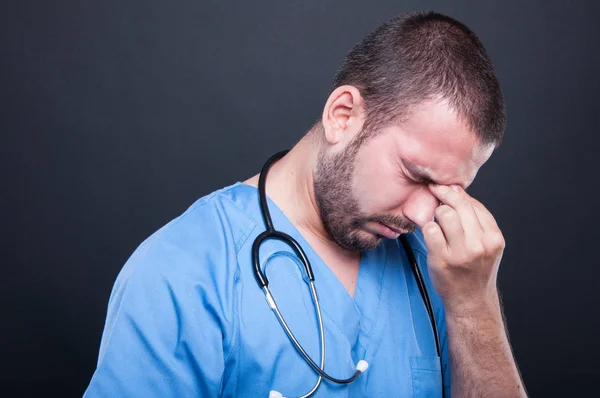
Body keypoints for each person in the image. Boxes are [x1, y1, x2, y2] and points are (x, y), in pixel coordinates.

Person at [84, 11, 527, 398]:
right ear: (343, 115)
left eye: (448, 192)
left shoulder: (448, 271)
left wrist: (474, 305)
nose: (420, 215)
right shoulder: (184, 272)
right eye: (415, 175)